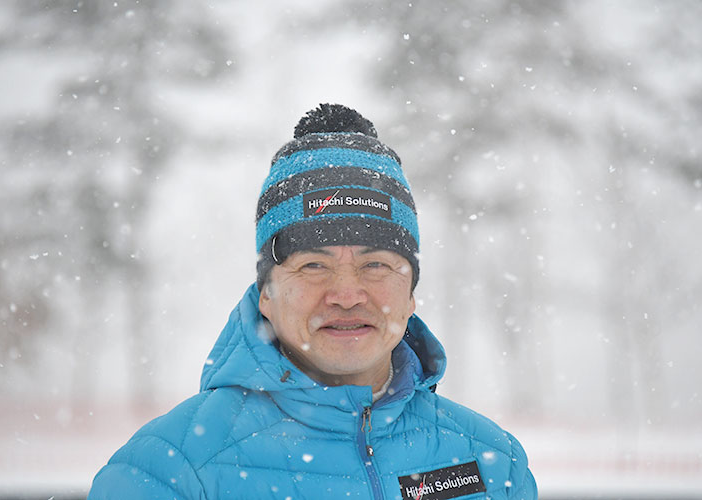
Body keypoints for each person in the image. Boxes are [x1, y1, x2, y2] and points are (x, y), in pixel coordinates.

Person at [88, 103, 537, 500]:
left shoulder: (494, 464)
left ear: (411, 292)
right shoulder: (170, 473)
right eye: (313, 266)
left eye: (376, 264)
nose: (346, 295)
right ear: (266, 293)